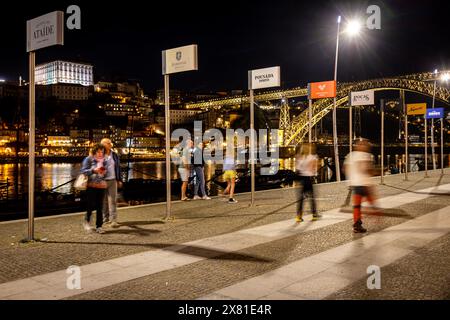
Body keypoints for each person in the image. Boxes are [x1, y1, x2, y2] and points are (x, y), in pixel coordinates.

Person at [344, 139, 378, 233]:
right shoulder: (366, 155)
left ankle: (358, 224)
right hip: (363, 184)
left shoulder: (351, 155)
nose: (365, 146)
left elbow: (346, 168)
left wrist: (350, 180)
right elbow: (367, 170)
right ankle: (360, 223)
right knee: (368, 204)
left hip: (358, 184)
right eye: (364, 145)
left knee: (358, 206)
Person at [80, 144, 108, 234]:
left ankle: (99, 226)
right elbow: (83, 171)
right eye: (99, 152)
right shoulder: (89, 159)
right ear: (95, 151)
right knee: (90, 206)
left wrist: (104, 172)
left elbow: (106, 173)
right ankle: (87, 221)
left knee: (100, 207)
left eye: (102, 152)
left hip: (101, 186)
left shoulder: (104, 161)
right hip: (91, 186)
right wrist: (94, 171)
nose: (100, 154)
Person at [295, 143, 320, 222]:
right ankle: (314, 215)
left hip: (302, 179)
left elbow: (297, 170)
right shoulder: (313, 157)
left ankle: (299, 216)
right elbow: (314, 170)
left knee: (301, 199)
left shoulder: (299, 157)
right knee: (312, 198)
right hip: (309, 179)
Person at [101, 138, 122, 228]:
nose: (111, 144)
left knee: (113, 201)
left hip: (113, 180)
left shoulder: (114, 155)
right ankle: (105, 219)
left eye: (110, 143)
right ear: (104, 144)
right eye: (109, 143)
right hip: (102, 181)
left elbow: (118, 167)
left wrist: (119, 179)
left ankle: (113, 220)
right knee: (104, 201)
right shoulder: (99, 154)